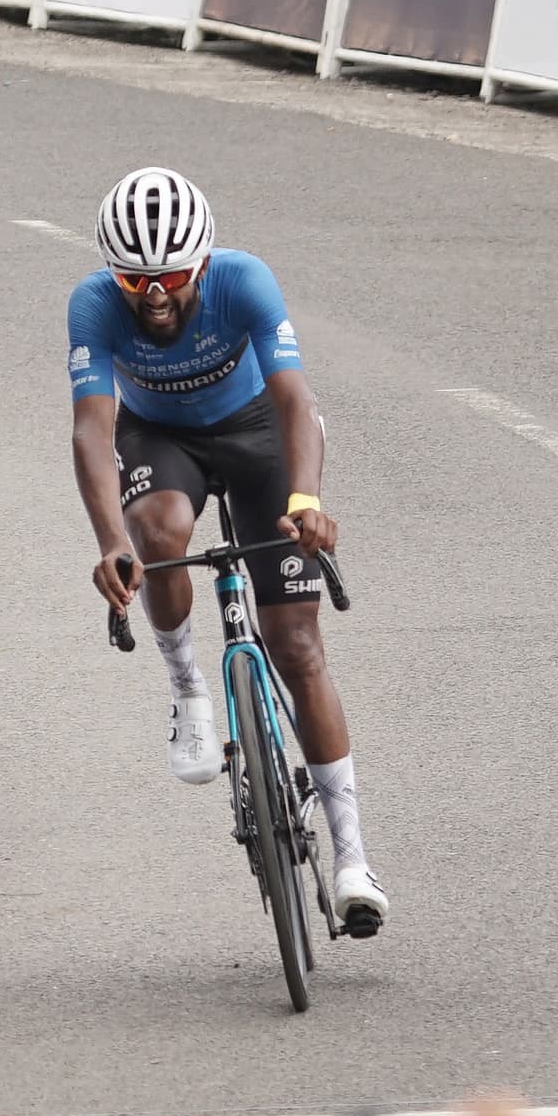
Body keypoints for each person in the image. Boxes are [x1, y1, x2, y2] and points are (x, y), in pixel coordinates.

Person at [65, 167, 386, 933]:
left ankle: (351, 860)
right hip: (160, 439)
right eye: (134, 278)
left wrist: (305, 501)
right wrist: (111, 541)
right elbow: (92, 428)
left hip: (257, 434)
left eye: (171, 275)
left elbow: (296, 401)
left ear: (201, 263)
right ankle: (189, 694)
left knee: (297, 646)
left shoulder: (243, 280)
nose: (154, 295)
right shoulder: (93, 304)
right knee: (162, 531)